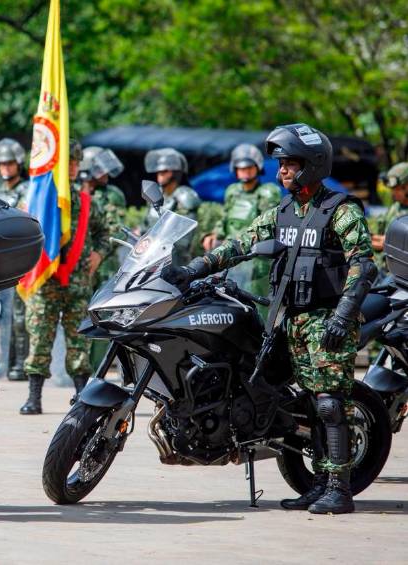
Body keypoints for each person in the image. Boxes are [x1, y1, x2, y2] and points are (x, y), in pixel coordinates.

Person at [161, 123, 375, 514]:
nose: (281, 172)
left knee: (330, 403)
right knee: (307, 403)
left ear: (312, 165)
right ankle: (317, 484)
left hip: (328, 320)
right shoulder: (283, 211)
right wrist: (192, 269)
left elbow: (362, 264)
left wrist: (344, 316)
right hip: (291, 320)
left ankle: (340, 490)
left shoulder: (340, 211)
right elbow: (238, 245)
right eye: (280, 165)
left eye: (289, 165)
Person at [19, 139, 111, 414]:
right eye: (67, 162)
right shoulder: (37, 199)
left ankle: (83, 397)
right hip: (45, 283)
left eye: (75, 162)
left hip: (78, 283)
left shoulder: (85, 201)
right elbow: (20, 232)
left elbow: (104, 234)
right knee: (39, 341)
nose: (72, 167)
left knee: (79, 343)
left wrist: (99, 254)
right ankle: (34, 398)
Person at [202, 143, 282, 301]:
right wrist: (213, 234)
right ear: (235, 169)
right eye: (241, 167)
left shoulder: (267, 192)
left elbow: (267, 226)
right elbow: (225, 218)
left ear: (257, 167)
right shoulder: (232, 191)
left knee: (255, 301)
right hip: (231, 254)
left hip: (256, 258)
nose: (245, 171)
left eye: (249, 167)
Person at [0, 138, 31, 381]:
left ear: (18, 164)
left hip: (21, 257)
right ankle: (5, 360)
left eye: (9, 163)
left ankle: (20, 364)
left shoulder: (27, 190)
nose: (5, 167)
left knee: (20, 315)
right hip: (1, 258)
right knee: (2, 315)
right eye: (1, 164)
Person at [79, 146, 127, 289]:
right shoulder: (74, 192)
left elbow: (118, 231)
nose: (106, 172)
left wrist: (98, 253)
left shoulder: (112, 195)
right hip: (77, 264)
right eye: (100, 168)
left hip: (105, 265)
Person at [143, 147, 200, 264]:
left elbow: (184, 240)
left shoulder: (185, 197)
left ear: (176, 172)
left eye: (165, 171)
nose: (160, 174)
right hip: (148, 258)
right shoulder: (155, 193)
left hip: (175, 260)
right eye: (159, 171)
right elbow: (145, 226)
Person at [372, 162, 408, 270]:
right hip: (383, 268)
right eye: (392, 189)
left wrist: (390, 245)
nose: (393, 193)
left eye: (397, 189)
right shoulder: (395, 208)